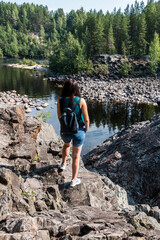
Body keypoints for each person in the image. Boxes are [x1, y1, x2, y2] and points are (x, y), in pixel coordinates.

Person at [57, 78, 89, 187]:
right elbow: (87, 119)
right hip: (78, 131)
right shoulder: (81, 101)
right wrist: (86, 129)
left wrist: (65, 127)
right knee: (76, 156)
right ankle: (73, 180)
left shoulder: (60, 101)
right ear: (76, 88)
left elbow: (59, 117)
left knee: (66, 145)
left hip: (65, 130)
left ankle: (63, 164)